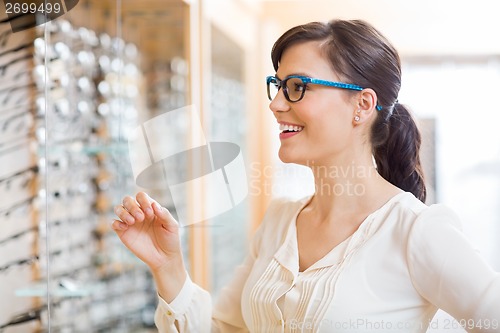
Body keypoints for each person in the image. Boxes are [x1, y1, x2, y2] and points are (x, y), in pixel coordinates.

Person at [112, 19, 500, 332]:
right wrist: (169, 267)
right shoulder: (280, 220)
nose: (276, 103)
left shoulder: (418, 230)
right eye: (278, 86)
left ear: (362, 105)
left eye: (297, 87)